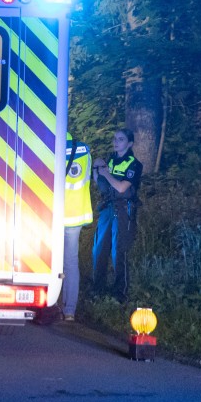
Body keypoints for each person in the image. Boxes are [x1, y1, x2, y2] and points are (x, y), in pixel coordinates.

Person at [92, 127, 143, 300]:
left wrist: (106, 173)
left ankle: (120, 293)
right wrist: (96, 170)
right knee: (99, 249)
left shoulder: (134, 164)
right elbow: (100, 184)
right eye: (114, 138)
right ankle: (97, 289)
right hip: (107, 207)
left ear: (129, 143)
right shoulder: (109, 160)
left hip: (124, 209)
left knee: (119, 251)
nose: (115, 142)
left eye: (120, 139)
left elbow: (122, 187)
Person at [60, 133, 94, 321]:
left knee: (50, 261)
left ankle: (50, 306)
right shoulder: (84, 150)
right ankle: (69, 310)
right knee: (71, 263)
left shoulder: (50, 145)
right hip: (76, 216)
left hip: (54, 215)